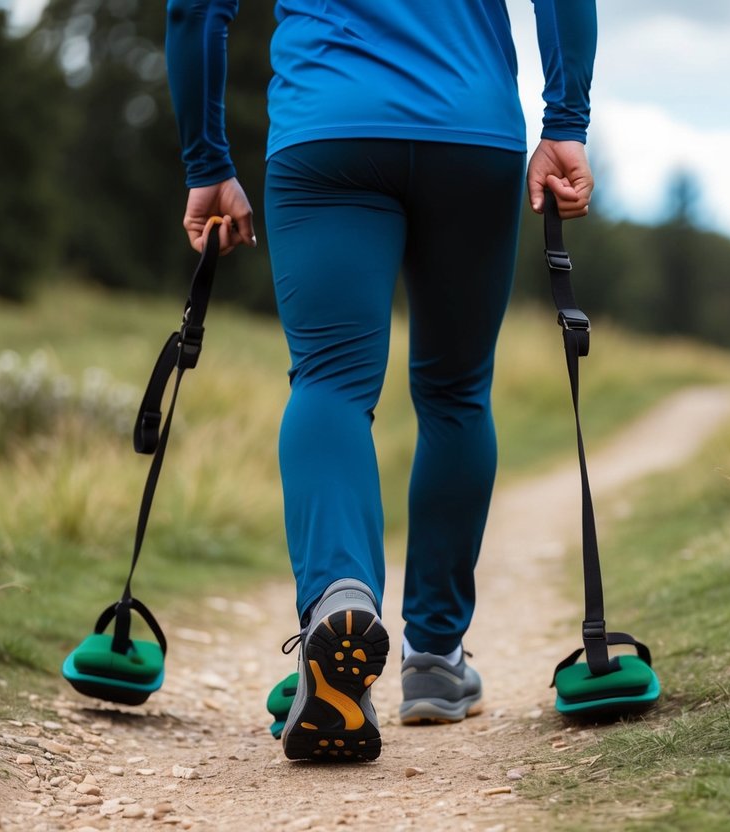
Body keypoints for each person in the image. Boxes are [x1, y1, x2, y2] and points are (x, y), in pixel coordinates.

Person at [165, 0, 596, 762]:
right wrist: (564, 122)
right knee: (457, 390)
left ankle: (340, 597)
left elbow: (197, 8)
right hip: (470, 128)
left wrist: (207, 163)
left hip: (326, 126)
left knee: (329, 382)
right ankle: (434, 659)